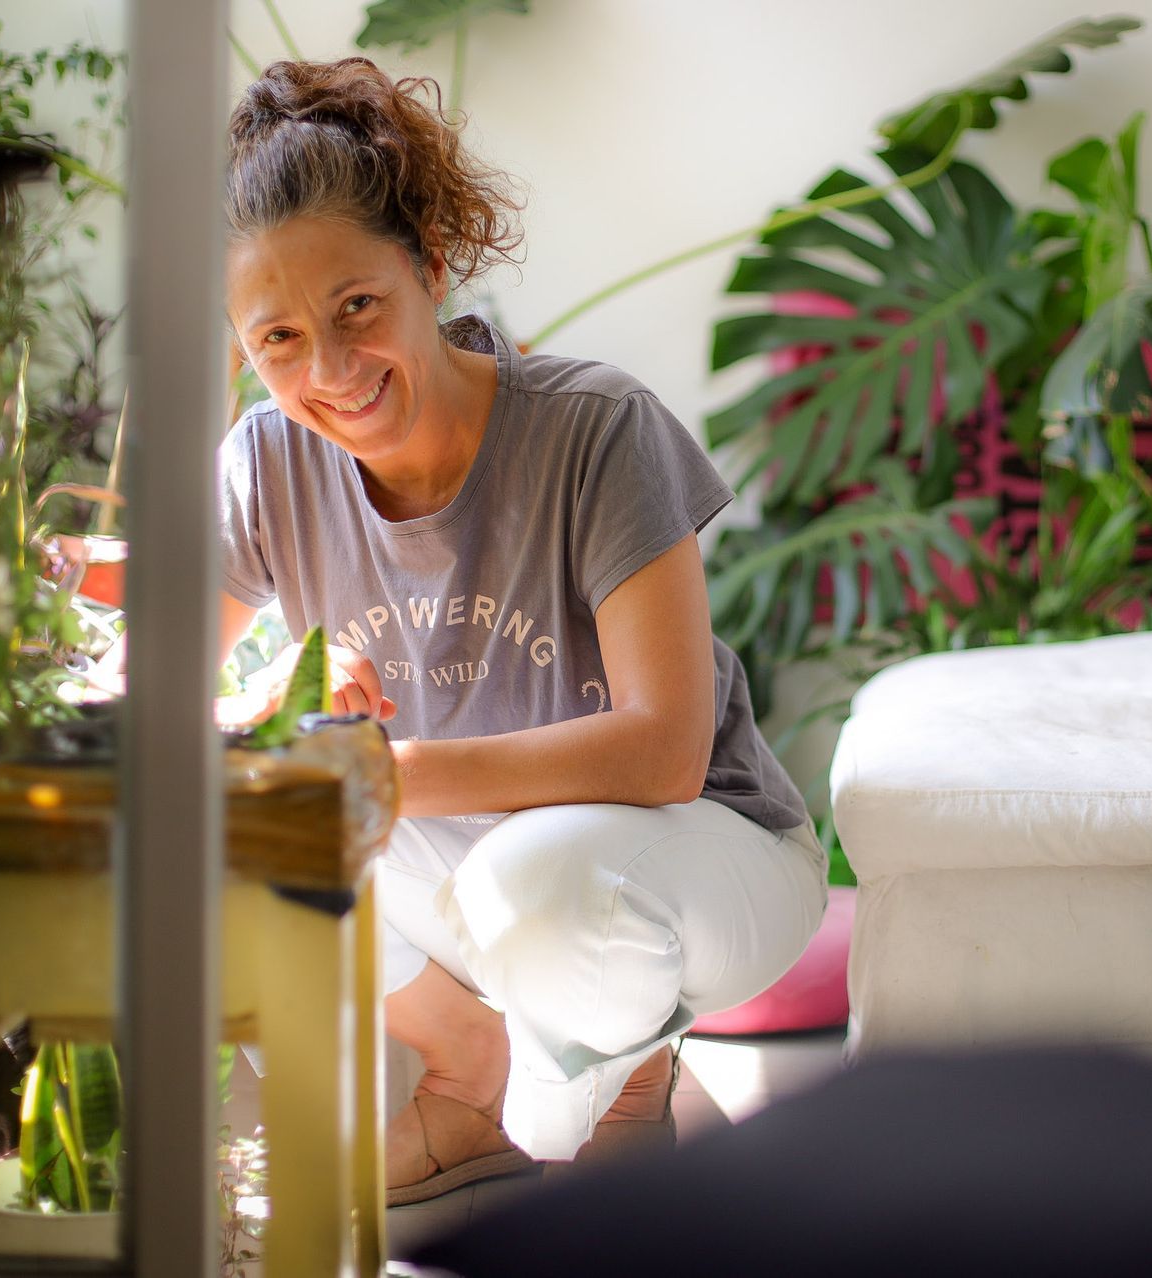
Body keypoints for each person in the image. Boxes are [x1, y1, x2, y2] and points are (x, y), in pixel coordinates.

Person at [216, 57, 826, 1204]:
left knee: (542, 887)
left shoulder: (596, 430)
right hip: (465, 870)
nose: (333, 371)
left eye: (358, 308)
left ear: (429, 270)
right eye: (280, 340)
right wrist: (274, 697)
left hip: (694, 855)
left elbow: (663, 751)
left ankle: (617, 1093)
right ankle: (467, 1074)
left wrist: (382, 779)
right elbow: (160, 705)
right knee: (208, 826)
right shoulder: (264, 464)